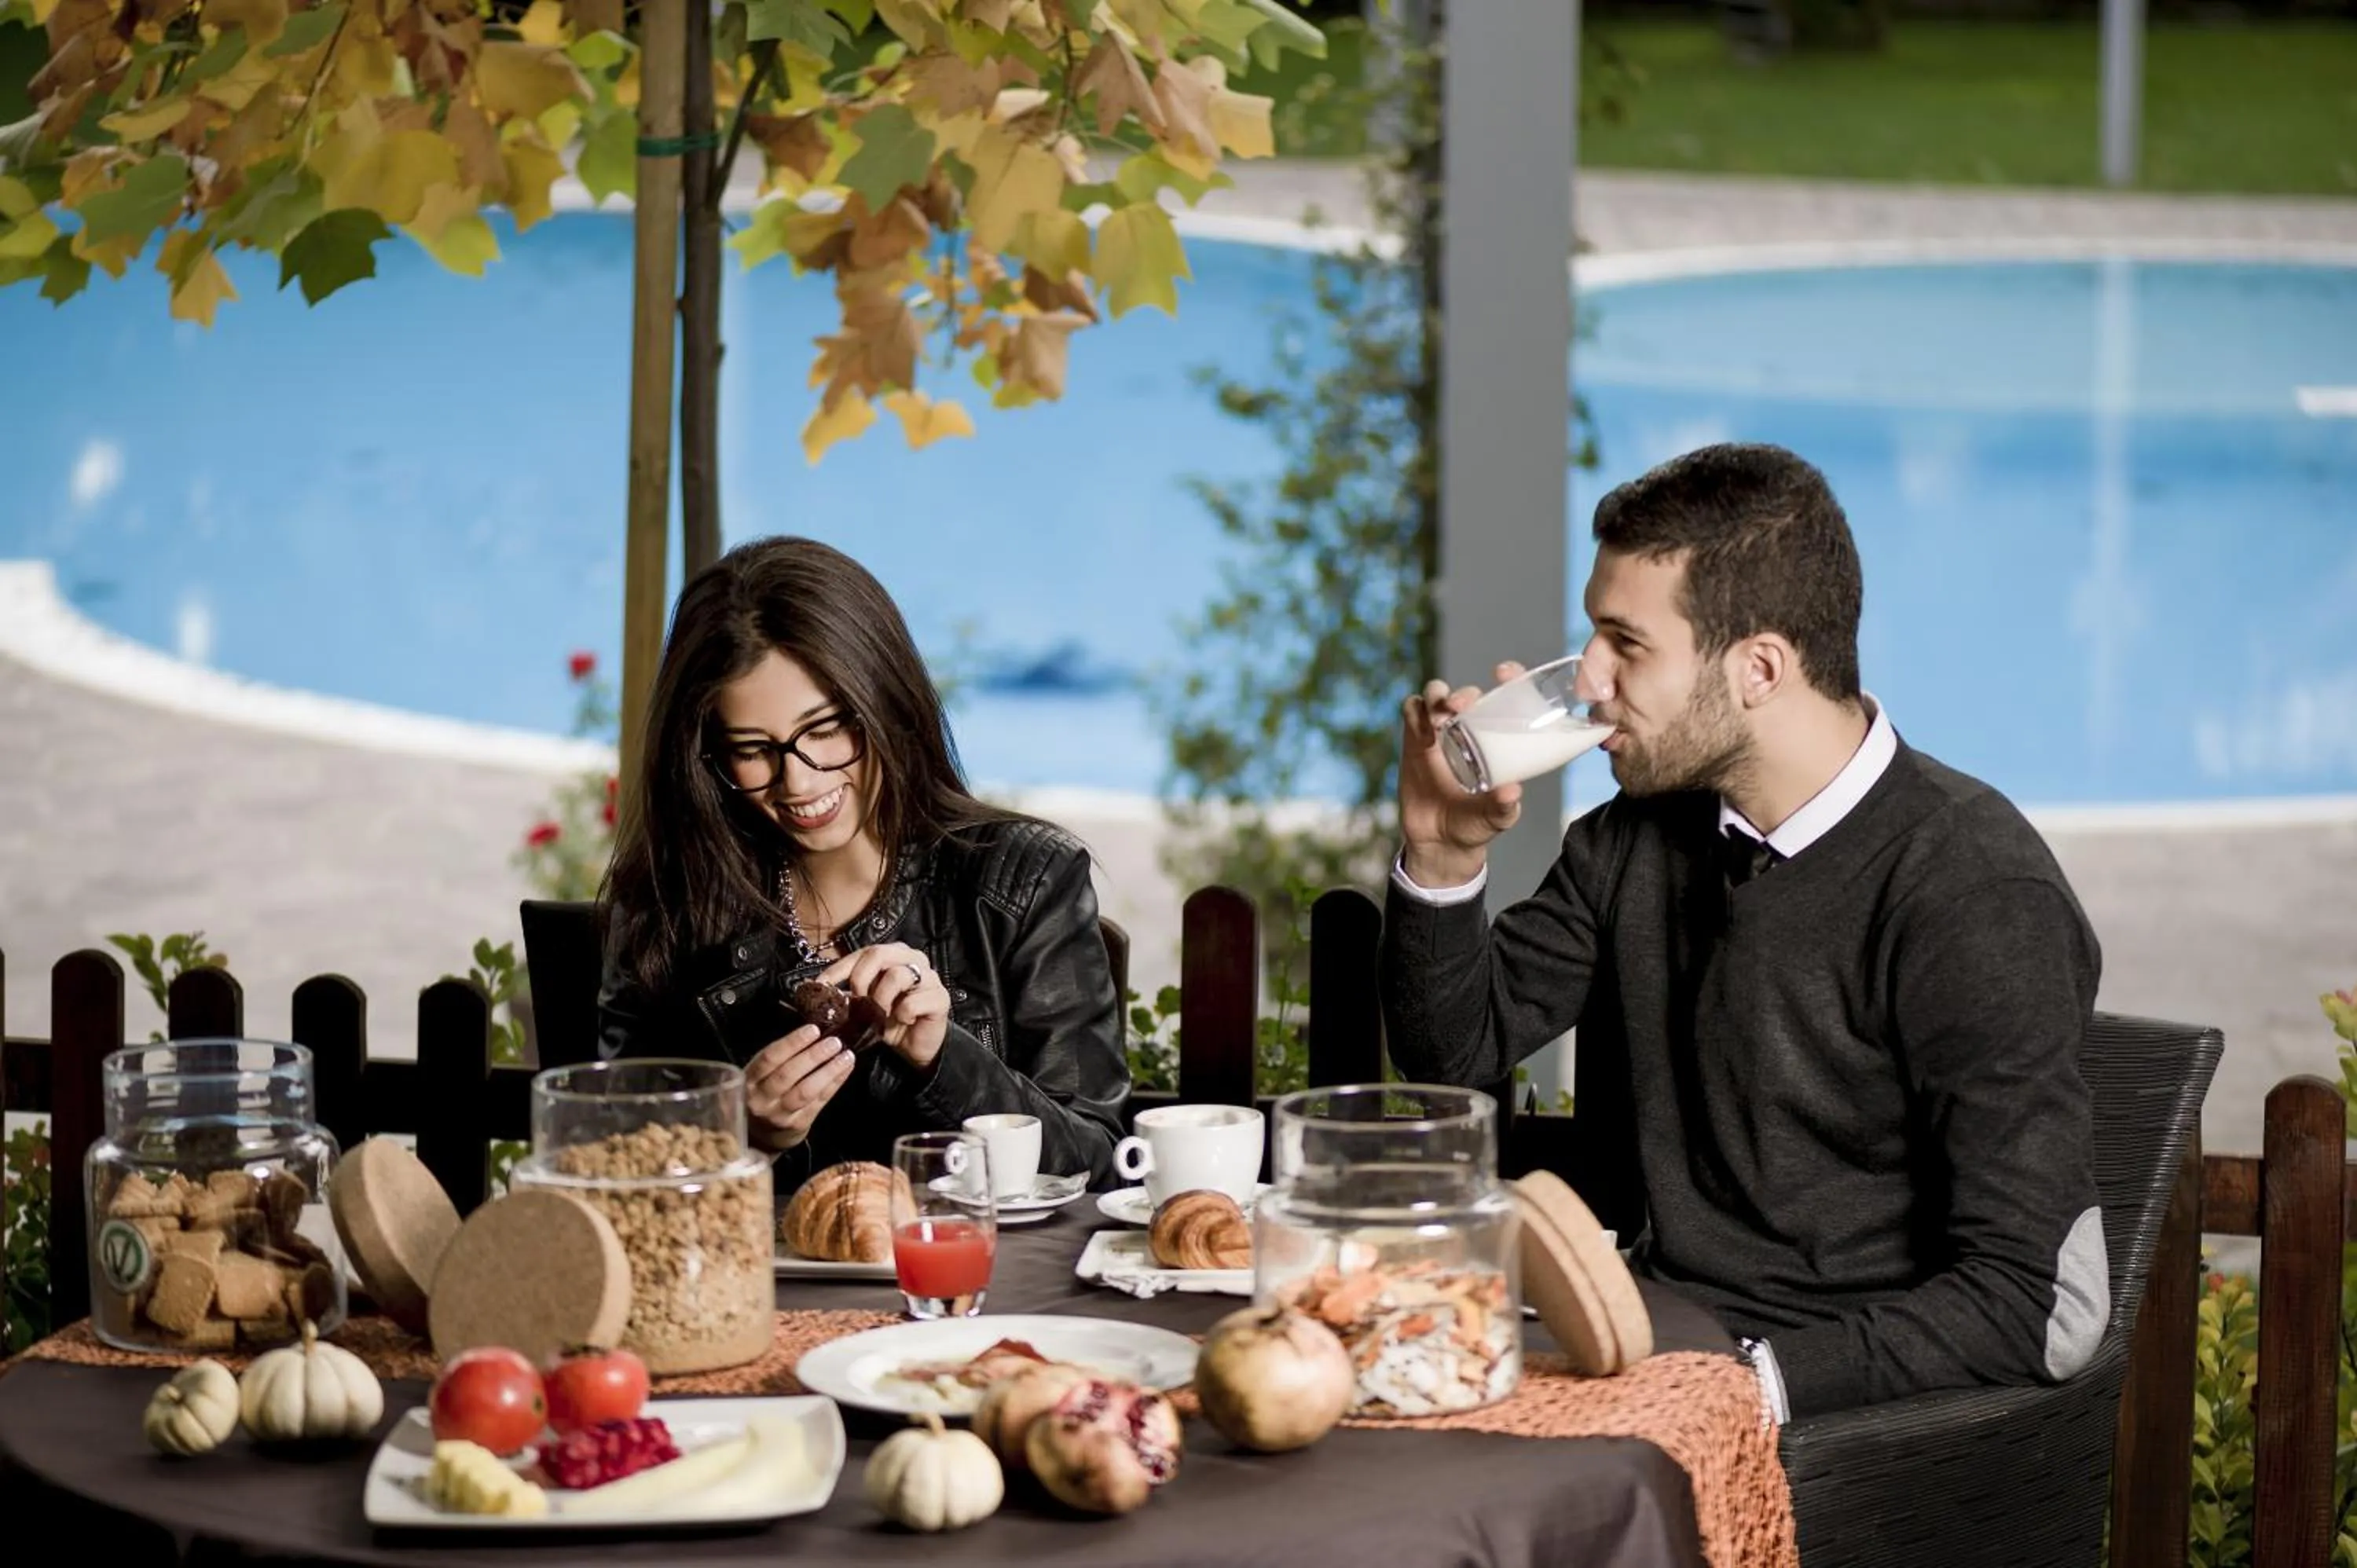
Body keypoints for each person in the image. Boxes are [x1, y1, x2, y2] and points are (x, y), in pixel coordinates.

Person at [1380, 444, 2109, 1423]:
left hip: (1829, 1410)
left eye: (1623, 644)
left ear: (1759, 667)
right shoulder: (1633, 839)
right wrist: (1440, 851)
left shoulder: (1971, 888)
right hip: (1643, 1350)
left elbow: (2041, 1302)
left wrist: (1743, 1390)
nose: (1589, 680)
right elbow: (1450, 1051)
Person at [597, 536, 1129, 1192]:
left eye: (824, 730)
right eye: (752, 749)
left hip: (976, 1287)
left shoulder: (1022, 880)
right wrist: (744, 1140)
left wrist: (943, 1056)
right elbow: (603, 1176)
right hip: (754, 1292)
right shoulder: (672, 906)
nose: (796, 782)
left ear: (885, 700)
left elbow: (1101, 1167)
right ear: (706, 755)